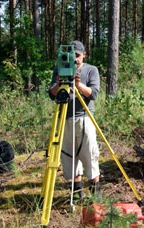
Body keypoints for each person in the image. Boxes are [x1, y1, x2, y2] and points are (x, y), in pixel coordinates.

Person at [48, 40, 101, 199]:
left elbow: (93, 94)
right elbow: (52, 94)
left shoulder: (91, 70)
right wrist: (59, 83)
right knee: (70, 158)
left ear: (84, 54)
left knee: (89, 155)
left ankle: (96, 193)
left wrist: (78, 85)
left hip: (84, 118)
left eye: (78, 56)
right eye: (72, 56)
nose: (75, 59)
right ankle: (78, 194)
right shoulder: (59, 69)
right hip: (65, 118)